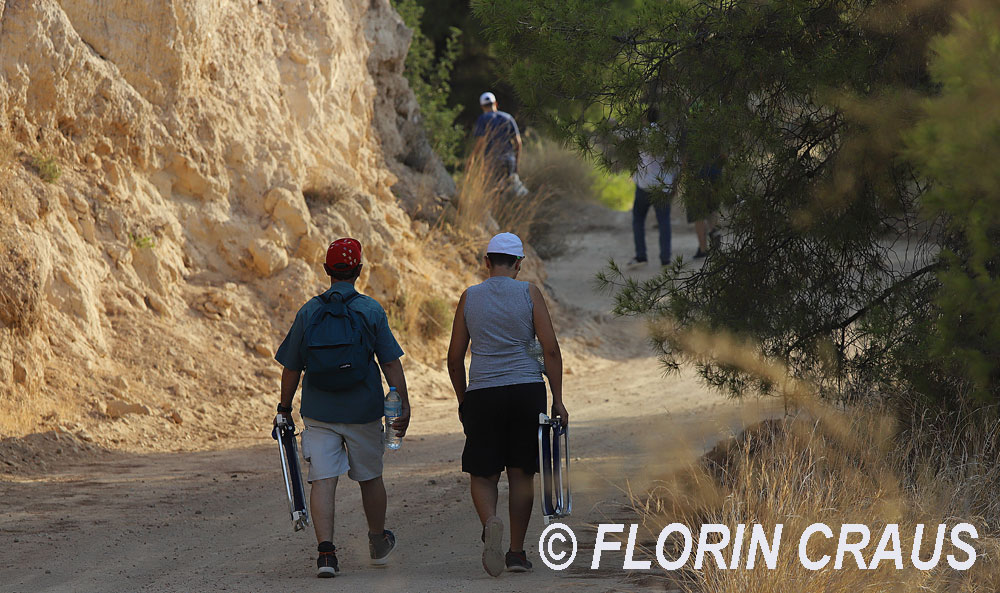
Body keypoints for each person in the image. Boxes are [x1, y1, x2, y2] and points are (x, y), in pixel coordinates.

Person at [274, 237, 411, 578]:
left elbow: (291, 367)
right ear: (359, 270)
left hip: (319, 412)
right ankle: (377, 540)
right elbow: (390, 362)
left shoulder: (309, 311)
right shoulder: (370, 310)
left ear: (326, 270)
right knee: (370, 478)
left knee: (323, 479)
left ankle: (326, 555)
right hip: (363, 411)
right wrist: (402, 404)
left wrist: (284, 407)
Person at [447, 232, 568, 577]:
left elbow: (454, 358)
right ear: (519, 264)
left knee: (483, 473)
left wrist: (464, 400)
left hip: (483, 393)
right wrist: (558, 399)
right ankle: (515, 552)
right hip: (526, 391)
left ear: (487, 262)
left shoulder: (470, 297)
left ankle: (491, 522)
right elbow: (549, 349)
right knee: (521, 473)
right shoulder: (529, 293)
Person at [627, 109, 679, 269]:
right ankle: (665, 259)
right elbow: (676, 164)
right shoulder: (669, 139)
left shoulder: (640, 136)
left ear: (645, 119)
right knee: (664, 222)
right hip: (663, 186)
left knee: (638, 220)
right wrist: (674, 184)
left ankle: (641, 256)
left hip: (644, 185)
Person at [473, 92, 523, 184]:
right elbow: (518, 142)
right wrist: (516, 162)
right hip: (509, 160)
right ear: (496, 103)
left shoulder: (482, 119)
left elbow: (481, 142)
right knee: (511, 186)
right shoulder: (508, 118)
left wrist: (472, 158)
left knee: (494, 188)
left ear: (482, 107)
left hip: (492, 160)